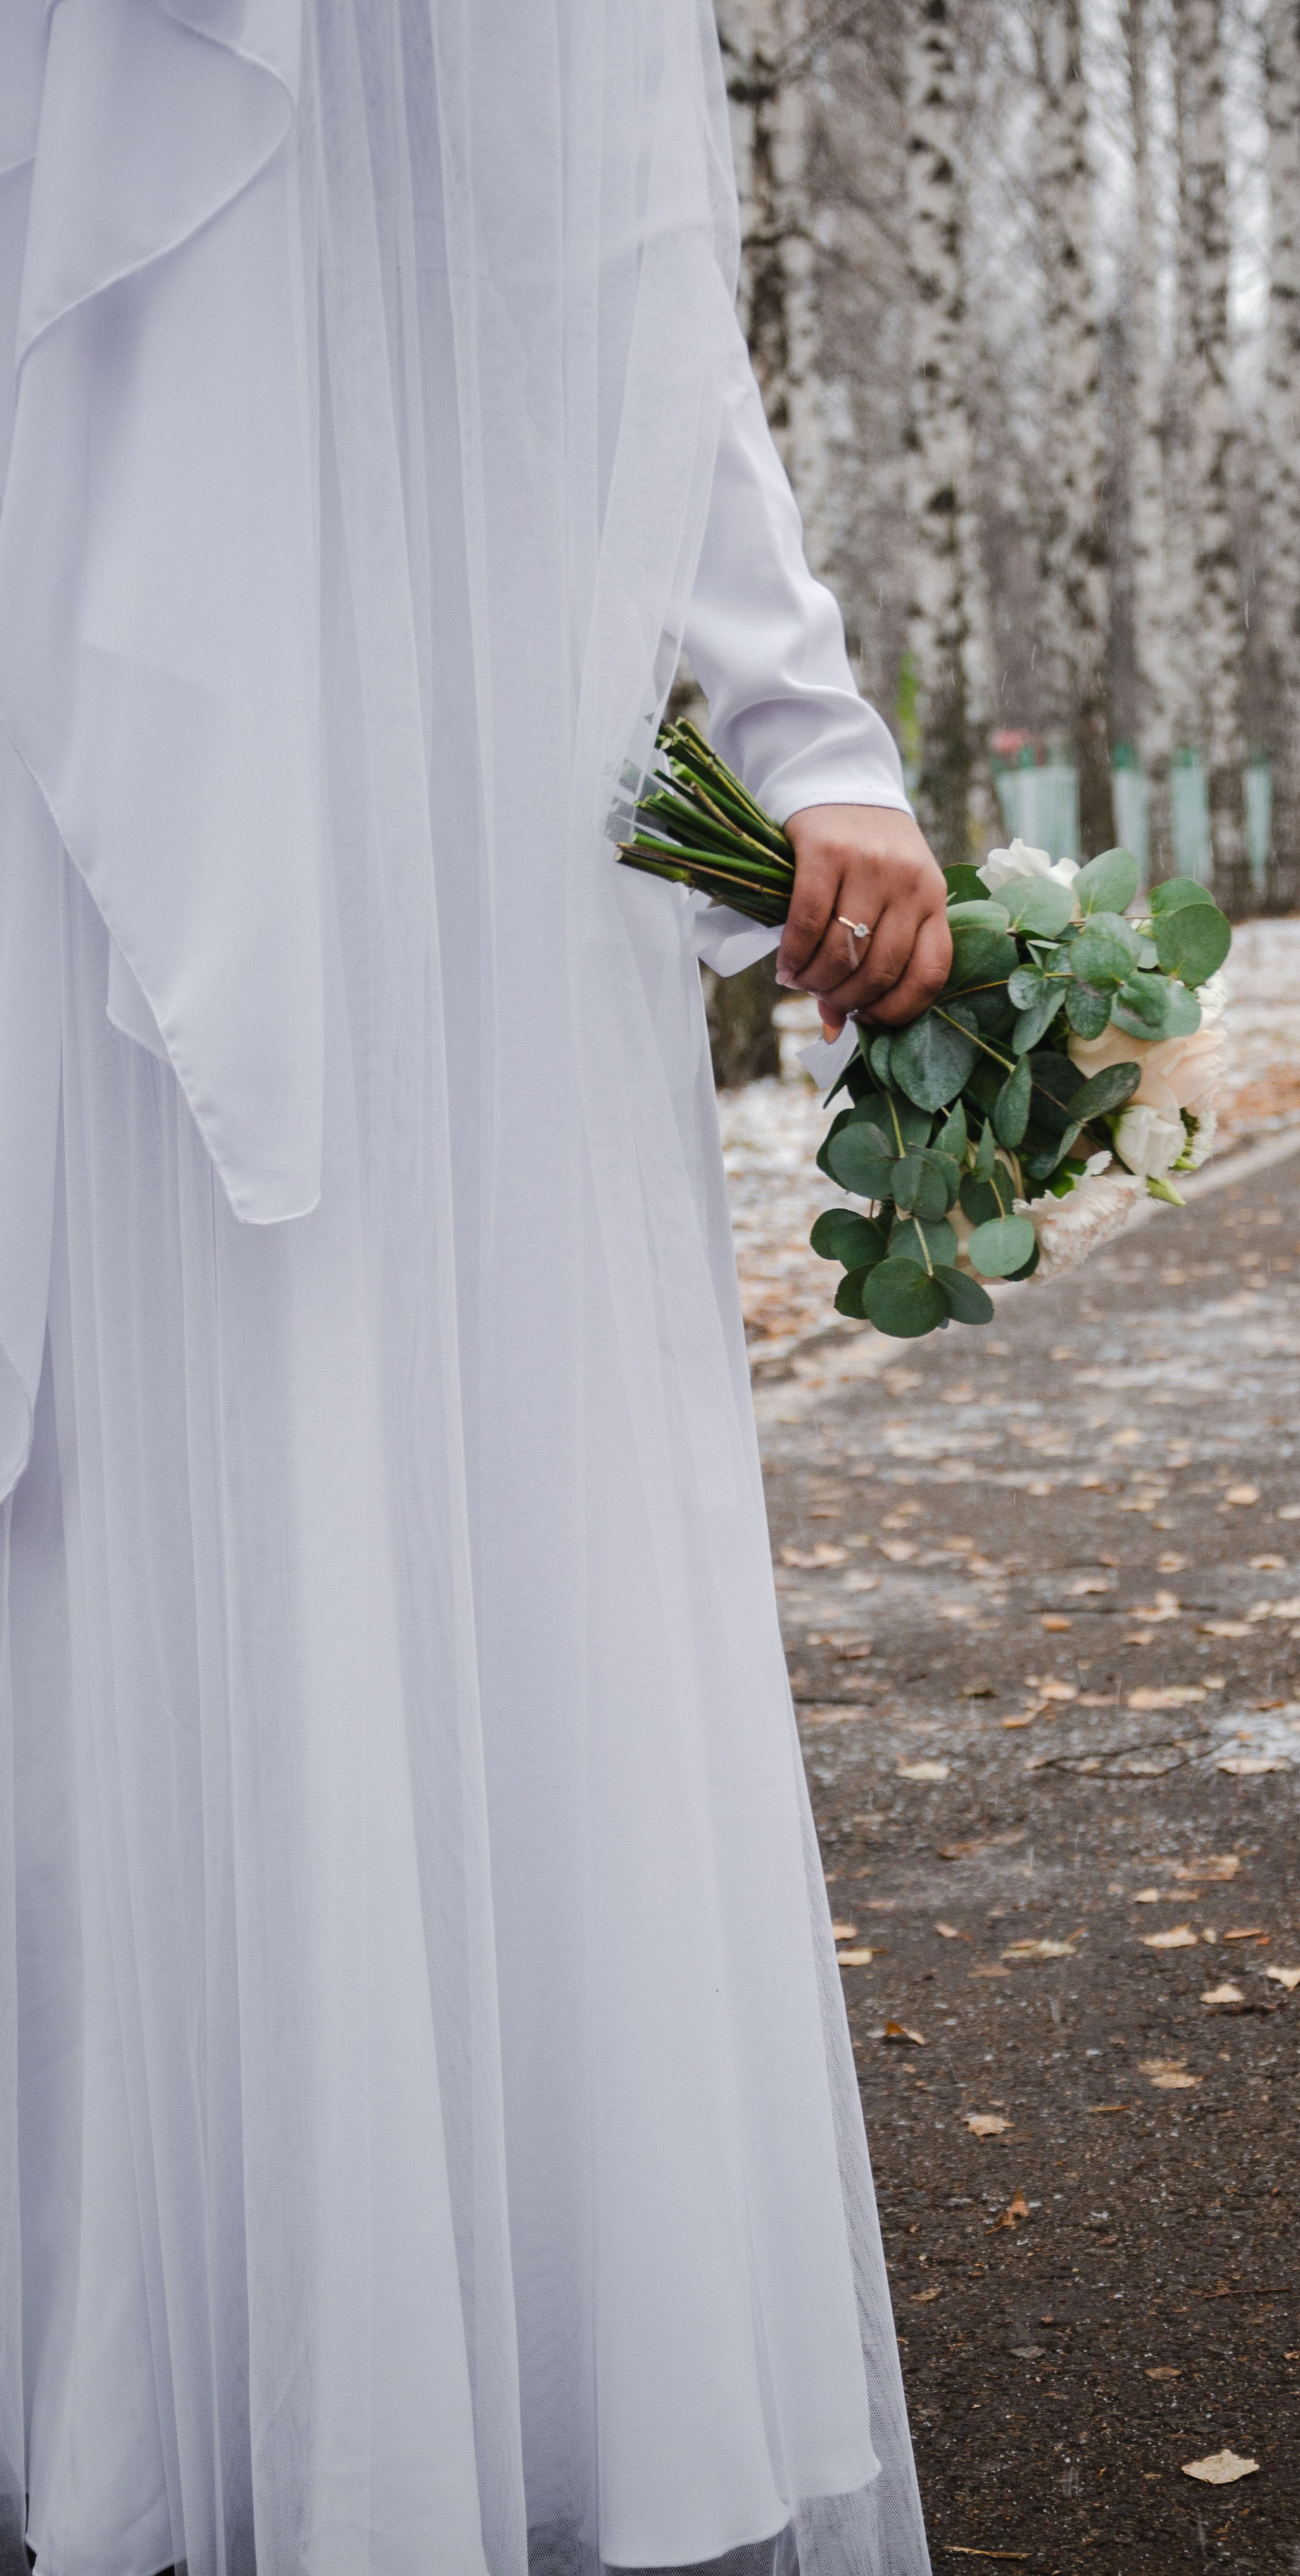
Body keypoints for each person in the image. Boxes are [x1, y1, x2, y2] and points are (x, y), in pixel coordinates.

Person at [0, 6, 945, 2571]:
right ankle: (176, 2388)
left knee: (501, 1512)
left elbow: (621, 245)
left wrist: (811, 730)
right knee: (128, 1551)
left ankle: (459, 2388)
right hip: (77, 812)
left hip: (468, 820)